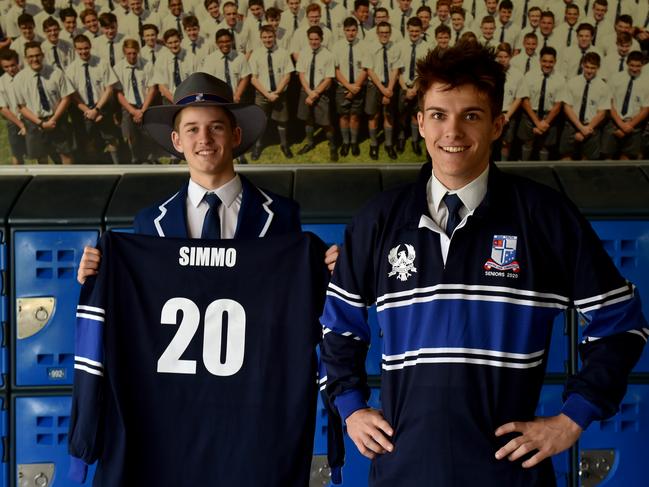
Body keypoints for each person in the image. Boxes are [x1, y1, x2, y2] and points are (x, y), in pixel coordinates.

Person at [320, 41, 647, 486]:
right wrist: (351, 406)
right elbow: (338, 327)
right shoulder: (378, 220)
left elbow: (620, 324)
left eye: (470, 115)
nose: (452, 131)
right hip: (404, 468)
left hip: (511, 474)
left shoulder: (545, 217)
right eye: (438, 115)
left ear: (496, 125)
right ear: (420, 122)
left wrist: (572, 419)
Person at [77, 72, 338, 282]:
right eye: (192, 129)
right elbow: (136, 301)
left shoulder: (281, 214)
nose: (204, 139)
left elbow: (293, 293)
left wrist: (331, 273)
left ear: (235, 136)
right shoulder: (149, 223)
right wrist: (97, 275)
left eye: (216, 127)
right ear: (177, 141)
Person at [14, 41, 75, 164]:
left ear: (42, 55)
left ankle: (69, 182)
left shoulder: (56, 73)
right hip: (35, 122)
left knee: (66, 153)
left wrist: (54, 119)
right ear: (26, 59)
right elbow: (22, 106)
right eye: (31, 56)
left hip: (57, 119)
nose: (35, 59)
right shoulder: (20, 79)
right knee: (41, 157)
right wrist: (41, 123)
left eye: (37, 55)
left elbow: (66, 97)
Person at [249, 25, 293, 159]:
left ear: (274, 36)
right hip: (262, 93)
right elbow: (253, 79)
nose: (268, 40)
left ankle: (284, 144)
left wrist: (277, 93)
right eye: (264, 37)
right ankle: (258, 146)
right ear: (261, 38)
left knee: (282, 121)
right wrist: (267, 94)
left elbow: (287, 75)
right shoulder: (256, 54)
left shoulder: (283, 53)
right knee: (260, 121)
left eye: (270, 37)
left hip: (279, 93)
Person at [559, 51, 609, 160]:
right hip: (572, 124)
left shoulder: (603, 87)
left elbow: (602, 113)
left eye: (593, 68)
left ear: (598, 68)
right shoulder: (572, 82)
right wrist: (580, 128)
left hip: (591, 126)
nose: (589, 71)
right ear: (582, 65)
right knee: (566, 156)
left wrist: (587, 129)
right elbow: (567, 107)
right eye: (587, 67)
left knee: (586, 160)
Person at [333, 16, 367, 158]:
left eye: (353, 30)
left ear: (357, 30)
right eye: (348, 30)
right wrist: (348, 86)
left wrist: (356, 86)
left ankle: (354, 142)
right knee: (344, 115)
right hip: (343, 87)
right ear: (344, 31)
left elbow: (366, 69)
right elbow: (336, 69)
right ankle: (345, 142)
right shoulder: (337, 46)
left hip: (358, 86)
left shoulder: (364, 46)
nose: (351, 33)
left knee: (355, 116)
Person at [0, 47, 27, 165]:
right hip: (13, 120)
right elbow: (3, 109)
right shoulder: (1, 82)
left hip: (31, 119)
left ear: (18, 63)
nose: (10, 69)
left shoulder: (26, 77)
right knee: (17, 154)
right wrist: (20, 124)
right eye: (6, 67)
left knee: (39, 152)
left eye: (13, 65)